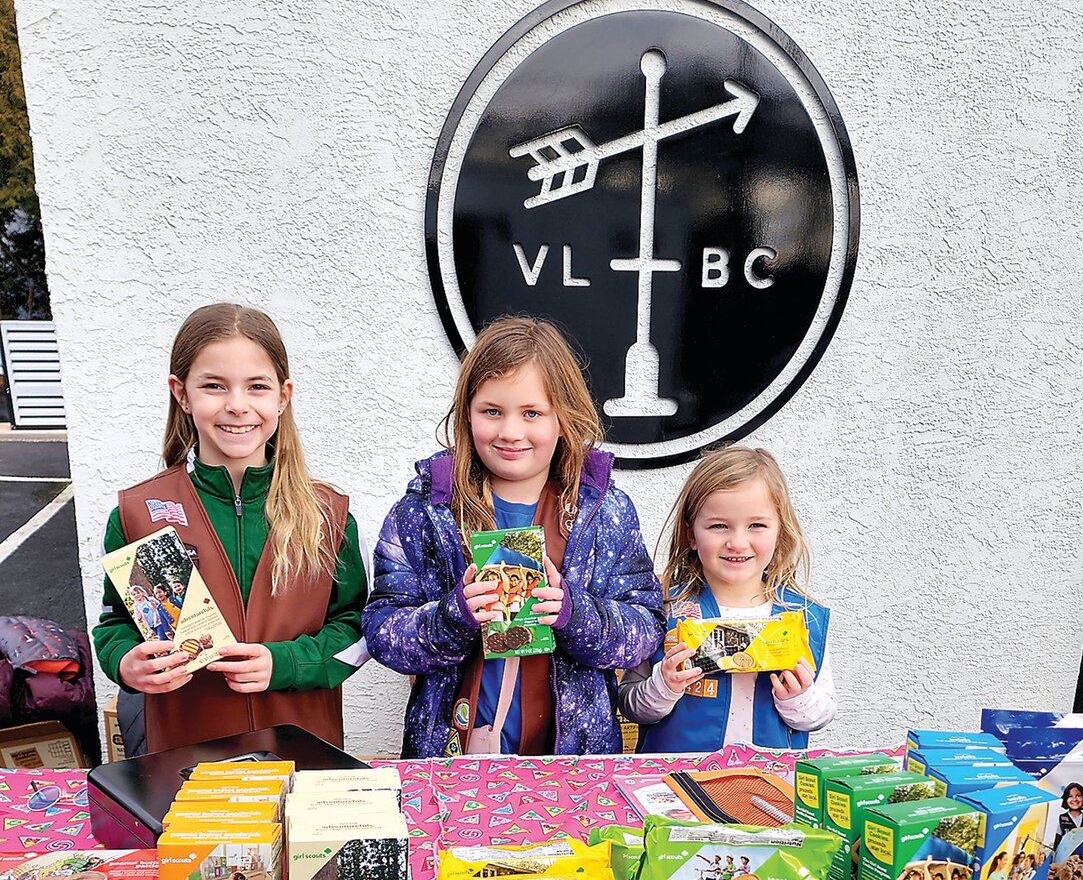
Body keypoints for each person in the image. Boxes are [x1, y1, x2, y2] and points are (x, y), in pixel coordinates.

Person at [362, 316, 663, 756]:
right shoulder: (427, 510)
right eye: (492, 412)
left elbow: (645, 628)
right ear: (467, 412)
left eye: (532, 413)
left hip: (574, 763)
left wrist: (575, 614)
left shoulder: (606, 512)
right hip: (452, 758)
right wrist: (453, 616)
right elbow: (383, 631)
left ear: (564, 417)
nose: (510, 432)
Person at [92, 303, 368, 754]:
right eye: (214, 386)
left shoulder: (326, 515)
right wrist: (125, 662)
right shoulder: (140, 512)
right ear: (182, 394)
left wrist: (286, 663)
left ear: (282, 395)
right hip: (186, 757)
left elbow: (356, 628)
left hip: (302, 752)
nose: (237, 406)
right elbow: (116, 623)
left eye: (256, 387)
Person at [618, 447, 835, 753]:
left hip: (769, 786)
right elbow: (631, 705)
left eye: (756, 525)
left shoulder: (805, 618)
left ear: (780, 531)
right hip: (676, 785)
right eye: (719, 526)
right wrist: (663, 687)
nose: (737, 542)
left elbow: (821, 712)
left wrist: (798, 699)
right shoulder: (662, 611)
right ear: (691, 533)